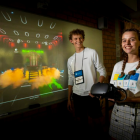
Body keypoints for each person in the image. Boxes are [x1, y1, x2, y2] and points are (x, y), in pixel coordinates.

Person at [67, 29, 107, 131]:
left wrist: (97, 88)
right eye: (75, 38)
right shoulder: (70, 60)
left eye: (80, 38)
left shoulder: (91, 52)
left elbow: (102, 71)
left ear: (83, 39)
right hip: (77, 95)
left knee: (96, 120)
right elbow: (71, 78)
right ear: (71, 41)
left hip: (91, 94)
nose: (78, 40)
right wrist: (69, 99)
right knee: (82, 122)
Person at [109, 28, 140, 140]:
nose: (127, 43)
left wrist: (128, 99)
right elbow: (113, 88)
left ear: (139, 42)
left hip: (137, 116)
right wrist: (104, 94)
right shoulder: (117, 66)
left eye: (132, 39)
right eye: (124, 40)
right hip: (118, 114)